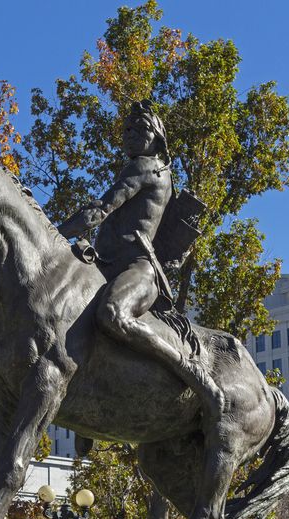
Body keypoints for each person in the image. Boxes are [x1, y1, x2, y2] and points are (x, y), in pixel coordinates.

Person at [58, 100, 224, 419]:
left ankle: (191, 373)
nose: (131, 134)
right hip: (105, 264)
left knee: (112, 313)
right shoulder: (146, 167)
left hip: (137, 267)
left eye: (140, 129)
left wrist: (53, 232)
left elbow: (100, 209)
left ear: (156, 136)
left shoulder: (145, 167)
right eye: (127, 130)